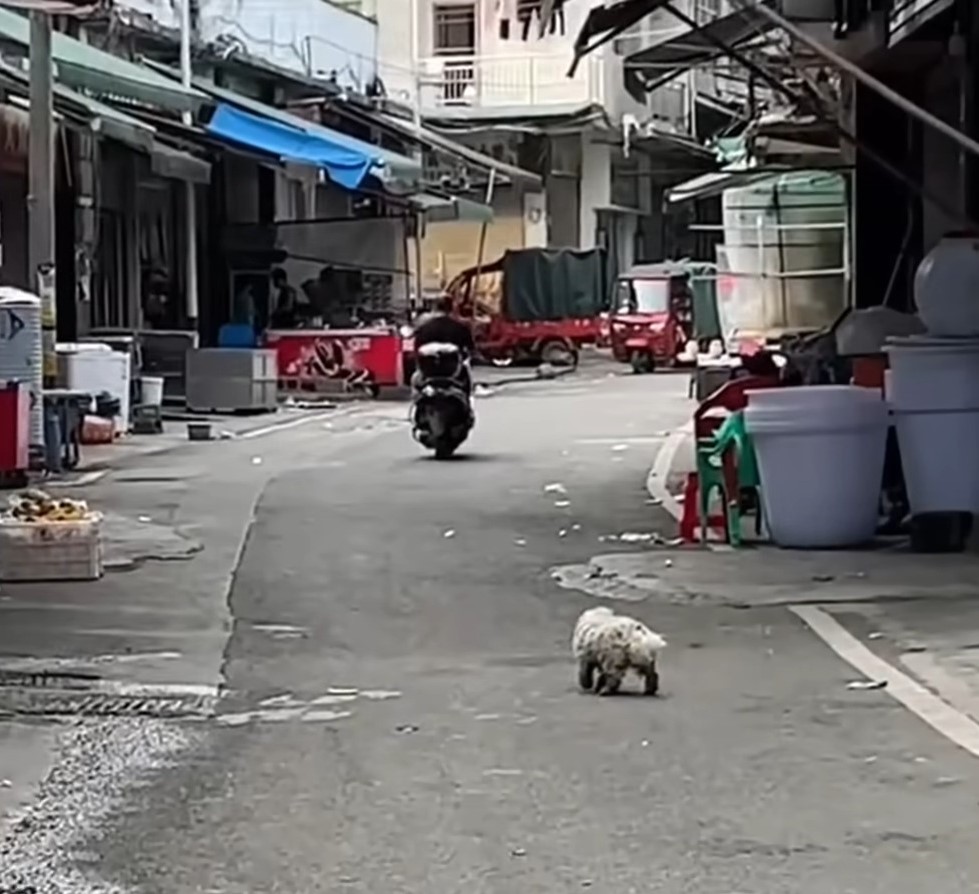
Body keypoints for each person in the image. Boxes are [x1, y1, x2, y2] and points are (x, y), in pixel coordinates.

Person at [411, 295, 475, 397]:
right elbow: (470, 348)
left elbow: (416, 349)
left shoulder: (425, 328)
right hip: (454, 373)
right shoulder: (460, 327)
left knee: (415, 380)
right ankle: (468, 406)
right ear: (452, 308)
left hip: (429, 372)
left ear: (435, 308)